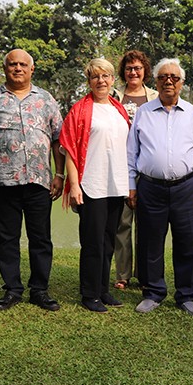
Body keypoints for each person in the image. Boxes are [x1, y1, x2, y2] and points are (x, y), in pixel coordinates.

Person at [0, 49, 65, 312]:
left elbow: (58, 139)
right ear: (5, 68)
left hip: (39, 181)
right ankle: (12, 289)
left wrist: (59, 175)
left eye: (23, 64)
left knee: (41, 239)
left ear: (31, 69)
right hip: (3, 182)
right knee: (7, 239)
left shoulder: (45, 99)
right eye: (12, 64)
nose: (17, 68)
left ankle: (40, 290)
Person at [127, 58, 193, 316]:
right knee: (150, 242)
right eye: (163, 77)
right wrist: (132, 185)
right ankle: (153, 292)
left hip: (187, 187)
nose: (168, 81)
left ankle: (186, 295)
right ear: (155, 81)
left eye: (174, 77)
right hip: (150, 188)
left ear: (181, 83)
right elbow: (132, 152)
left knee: (188, 242)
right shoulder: (143, 112)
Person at [59, 58, 131, 313]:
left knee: (109, 240)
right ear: (89, 81)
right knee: (92, 242)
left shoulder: (118, 109)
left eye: (106, 76)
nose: (101, 81)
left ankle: (103, 289)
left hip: (116, 184)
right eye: (95, 77)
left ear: (113, 80)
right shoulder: (79, 110)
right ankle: (89, 293)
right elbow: (68, 149)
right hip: (91, 184)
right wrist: (74, 185)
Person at [111, 50, 158, 290]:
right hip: (120, 165)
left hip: (148, 166)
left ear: (145, 71)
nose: (133, 72)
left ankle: (145, 274)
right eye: (129, 68)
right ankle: (123, 274)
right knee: (123, 223)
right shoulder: (114, 96)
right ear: (123, 72)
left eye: (138, 68)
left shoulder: (155, 96)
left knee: (148, 223)